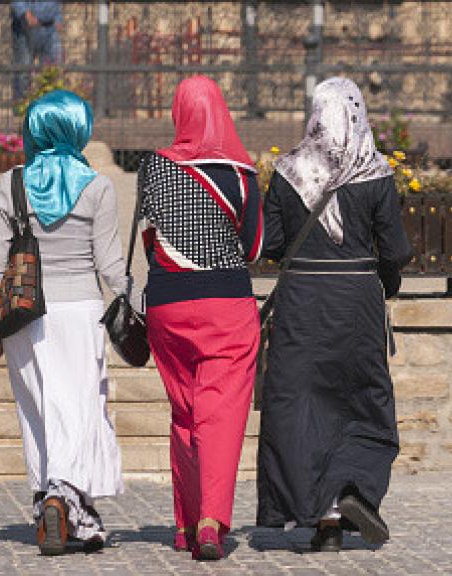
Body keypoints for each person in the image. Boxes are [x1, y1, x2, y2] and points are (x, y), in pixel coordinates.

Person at [256, 77, 412, 552]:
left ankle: (321, 515)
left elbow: (274, 245)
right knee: (361, 400)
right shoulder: (375, 172)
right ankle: (349, 491)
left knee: (300, 405)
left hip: (303, 302)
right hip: (358, 303)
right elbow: (397, 249)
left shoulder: (287, 172)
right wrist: (385, 280)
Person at [0, 90, 124, 556]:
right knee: (77, 411)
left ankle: (49, 503)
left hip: (25, 312)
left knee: (38, 411)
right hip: (80, 311)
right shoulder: (98, 187)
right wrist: (134, 310)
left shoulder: (13, 184)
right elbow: (111, 266)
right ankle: (64, 499)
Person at [138, 76, 263, 561]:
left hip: (167, 305)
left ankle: (187, 522)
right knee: (221, 412)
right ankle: (210, 521)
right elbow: (253, 248)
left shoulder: (153, 167)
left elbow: (150, 235)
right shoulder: (239, 173)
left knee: (185, 411)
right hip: (226, 304)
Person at [11, 1, 63, 102]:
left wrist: (58, 18)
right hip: (25, 28)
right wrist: (25, 12)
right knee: (24, 70)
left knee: (52, 69)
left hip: (50, 28)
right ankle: (22, 106)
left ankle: (50, 105)